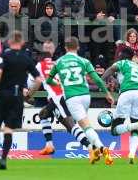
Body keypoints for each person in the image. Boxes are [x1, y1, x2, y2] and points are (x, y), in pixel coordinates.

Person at [47, 36, 114, 165]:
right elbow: (98, 79)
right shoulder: (84, 61)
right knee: (85, 124)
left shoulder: (59, 62)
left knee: (85, 126)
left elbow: (49, 80)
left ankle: (102, 148)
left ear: (65, 48)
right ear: (78, 47)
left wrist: (60, 85)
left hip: (72, 98)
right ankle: (94, 152)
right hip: (85, 96)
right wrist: (107, 93)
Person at [0, 31, 41, 170]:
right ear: (22, 43)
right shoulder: (26, 58)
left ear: (9, 42)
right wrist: (29, 94)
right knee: (9, 129)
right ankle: (4, 158)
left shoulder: (3, 55)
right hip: (17, 96)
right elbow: (39, 79)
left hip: (2, 94)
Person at [28, 40, 92, 155]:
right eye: (46, 47)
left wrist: (28, 95)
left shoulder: (40, 65)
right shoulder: (59, 62)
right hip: (67, 95)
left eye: (49, 47)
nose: (47, 49)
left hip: (58, 98)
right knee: (43, 114)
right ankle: (49, 145)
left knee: (70, 125)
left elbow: (34, 83)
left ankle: (91, 148)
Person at [102, 47, 138, 164]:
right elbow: (126, 79)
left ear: (122, 56)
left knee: (114, 130)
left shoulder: (123, 62)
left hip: (127, 93)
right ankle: (132, 154)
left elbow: (111, 69)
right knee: (135, 126)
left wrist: (101, 80)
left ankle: (137, 124)